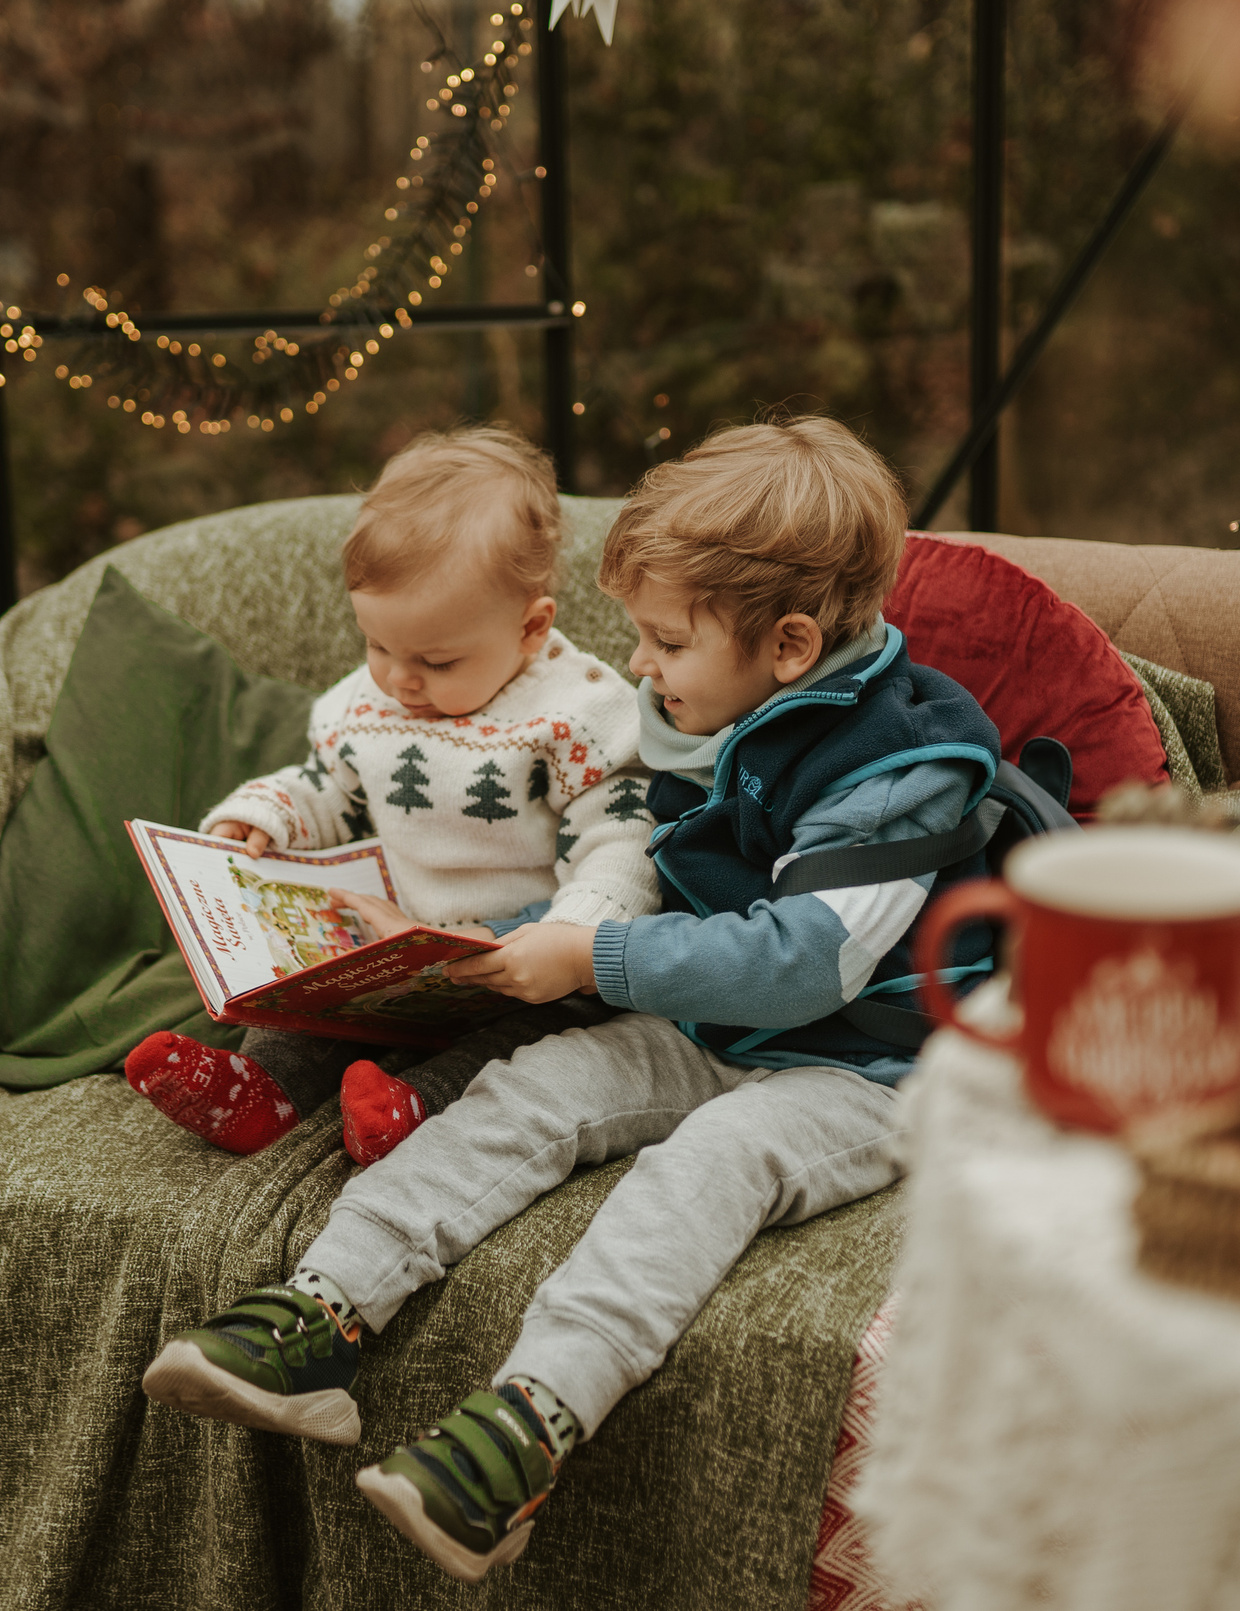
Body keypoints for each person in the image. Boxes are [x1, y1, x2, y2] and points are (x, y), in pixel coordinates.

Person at [141, 416, 1004, 1581]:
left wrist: (592, 961)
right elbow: (654, 847)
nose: (638, 665)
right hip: (720, 1023)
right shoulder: (724, 708)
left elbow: (810, 961)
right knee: (530, 1089)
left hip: (869, 1065)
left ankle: (526, 1430)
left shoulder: (907, 759)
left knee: (711, 1161)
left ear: (790, 643)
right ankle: (322, 1314)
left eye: (663, 640)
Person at [124, 425, 659, 1166]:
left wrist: (573, 936)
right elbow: (330, 787)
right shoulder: (367, 705)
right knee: (302, 1010)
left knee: (520, 1043)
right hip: (396, 950)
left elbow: (622, 841)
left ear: (532, 628)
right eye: (378, 647)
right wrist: (269, 815)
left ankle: (418, 1107)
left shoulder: (581, 716)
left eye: (437, 660)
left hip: (521, 962)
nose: (400, 680)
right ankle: (258, 1092)